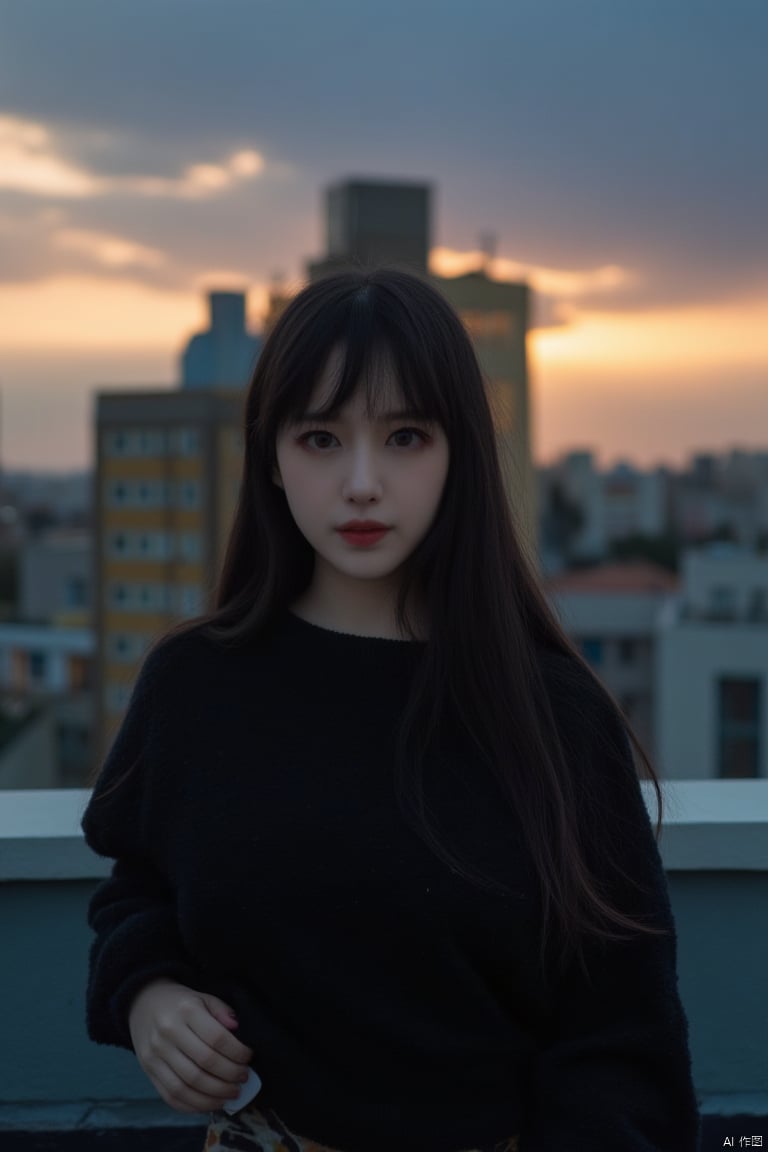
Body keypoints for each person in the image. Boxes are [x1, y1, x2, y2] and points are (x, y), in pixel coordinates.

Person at [82, 266, 701, 1152]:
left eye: (405, 436)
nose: (363, 482)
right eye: (322, 439)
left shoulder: (555, 717)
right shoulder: (196, 685)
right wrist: (148, 993)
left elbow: (621, 1042)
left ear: (461, 454)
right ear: (271, 456)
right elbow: (137, 887)